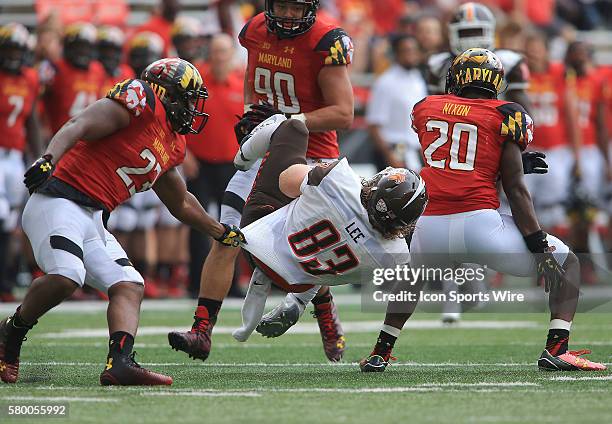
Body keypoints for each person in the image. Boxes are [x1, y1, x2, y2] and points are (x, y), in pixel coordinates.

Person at [359, 48, 606, 373]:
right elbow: (516, 190)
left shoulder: (427, 107)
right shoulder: (507, 112)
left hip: (430, 225)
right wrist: (538, 246)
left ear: (456, 78)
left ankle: (381, 351)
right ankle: (557, 349)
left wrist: (496, 163)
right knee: (569, 262)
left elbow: (454, 155)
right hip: (481, 226)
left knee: (413, 277)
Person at [0, 58, 245, 385]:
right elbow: (81, 123)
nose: (191, 108)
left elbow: (181, 201)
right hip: (59, 199)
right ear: (165, 92)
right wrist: (48, 158)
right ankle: (11, 332)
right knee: (67, 276)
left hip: (95, 217)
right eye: (187, 98)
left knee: (129, 285)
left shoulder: (173, 142)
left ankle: (120, 363)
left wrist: (220, 231)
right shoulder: (140, 98)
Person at [168, 0, 355, 363]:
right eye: (281, 6)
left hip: (312, 155)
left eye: (295, 8)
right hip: (266, 149)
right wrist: (255, 120)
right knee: (228, 232)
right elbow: (253, 85)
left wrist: (287, 121)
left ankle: (326, 311)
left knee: (307, 247)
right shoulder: (256, 30)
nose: (287, 15)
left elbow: (343, 114)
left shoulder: (324, 41)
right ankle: (201, 330)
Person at [228, 114, 426, 342]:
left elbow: (286, 181)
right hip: (293, 281)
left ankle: (243, 156)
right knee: (328, 252)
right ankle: (298, 301)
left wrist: (315, 174)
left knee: (291, 127)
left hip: (254, 239)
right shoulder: (395, 256)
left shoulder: (341, 181)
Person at [426, 2, 533, 322]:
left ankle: (478, 275)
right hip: (456, 150)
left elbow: (523, 113)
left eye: (477, 32)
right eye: (466, 33)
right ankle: (452, 296)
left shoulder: (511, 62)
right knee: (459, 210)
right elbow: (437, 111)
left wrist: (512, 153)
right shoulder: (437, 64)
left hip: (496, 147)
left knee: (493, 209)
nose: (473, 39)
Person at [181, 33, 243, 297]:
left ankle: (231, 282)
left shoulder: (240, 85)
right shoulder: (196, 82)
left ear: (231, 56)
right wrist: (185, 154)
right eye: (216, 51)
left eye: (224, 52)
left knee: (234, 224)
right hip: (201, 163)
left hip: (231, 166)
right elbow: (179, 117)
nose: (219, 57)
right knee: (198, 221)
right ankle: (196, 282)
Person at [0, 23, 43, 301]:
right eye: (10, 49)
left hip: (15, 156)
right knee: (1, 214)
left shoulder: (30, 78)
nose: (14, 54)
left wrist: (40, 155)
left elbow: (32, 120)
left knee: (11, 221)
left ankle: (6, 281)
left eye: (19, 49)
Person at [524, 32, 579, 241]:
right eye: (530, 49)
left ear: (547, 51)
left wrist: (576, 155)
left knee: (553, 205)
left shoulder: (559, 73)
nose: (534, 53)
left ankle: (554, 254)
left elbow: (571, 115)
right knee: (521, 203)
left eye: (538, 48)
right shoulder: (520, 75)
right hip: (528, 150)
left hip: (556, 150)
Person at [366, 34, 427, 171]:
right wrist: (390, 155)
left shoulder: (418, 79)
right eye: (406, 51)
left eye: (413, 50)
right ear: (396, 54)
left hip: (415, 151)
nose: (411, 55)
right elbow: (374, 125)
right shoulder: (385, 82)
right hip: (393, 150)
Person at [41, 22, 105, 134]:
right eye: (78, 46)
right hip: (59, 133)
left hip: (88, 136)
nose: (82, 51)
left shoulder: (98, 69)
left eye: (85, 47)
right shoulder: (55, 68)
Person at [97, 26, 135, 97]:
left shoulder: (126, 73)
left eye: (114, 51)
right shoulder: (92, 70)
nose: (110, 55)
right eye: (106, 50)